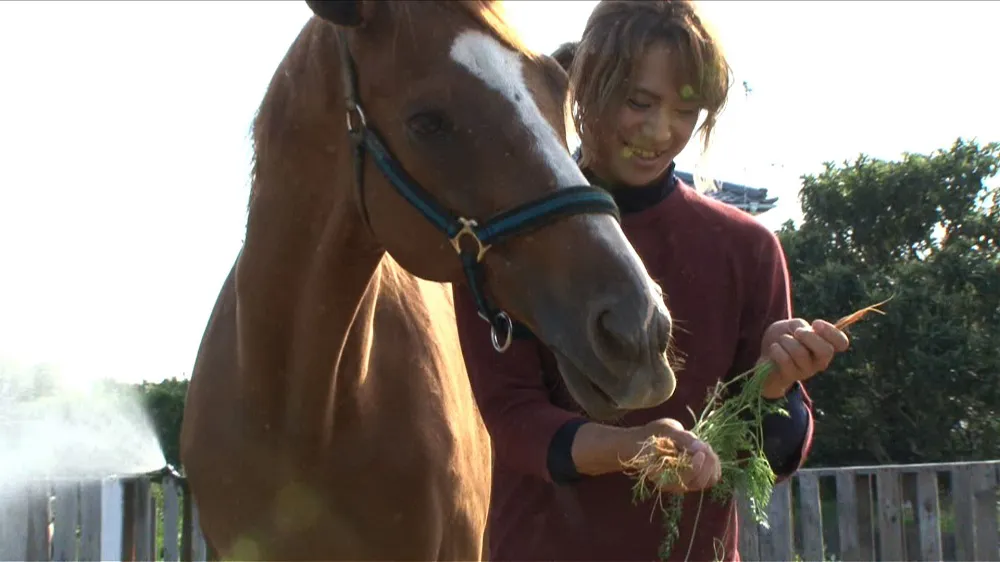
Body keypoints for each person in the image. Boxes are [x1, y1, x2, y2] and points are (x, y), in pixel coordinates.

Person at [453, 1, 851, 560]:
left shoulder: (747, 248)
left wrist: (774, 386)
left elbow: (771, 456)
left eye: (686, 110)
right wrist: (631, 448)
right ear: (586, 85)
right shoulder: (509, 239)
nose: (661, 130)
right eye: (638, 101)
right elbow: (515, 421)